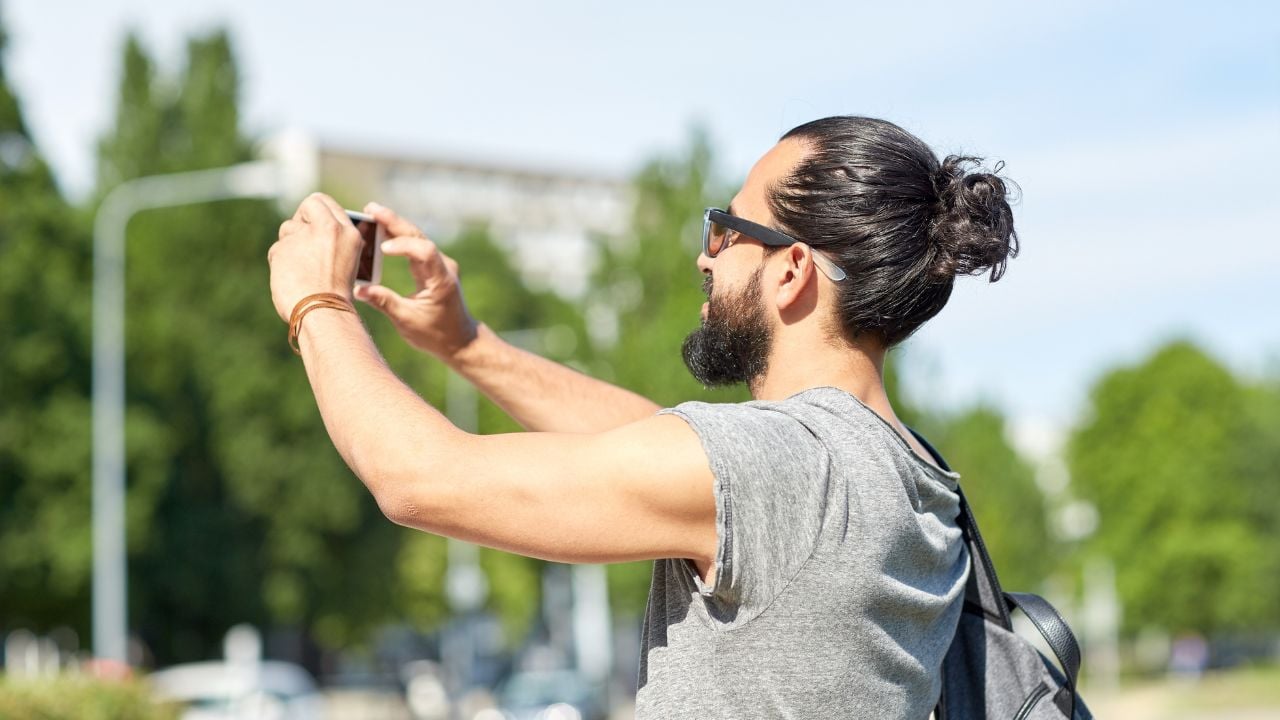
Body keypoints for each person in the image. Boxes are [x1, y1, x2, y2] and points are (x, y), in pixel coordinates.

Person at [267, 115, 1019, 718]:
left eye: (726, 231)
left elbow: (420, 478)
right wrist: (467, 344)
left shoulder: (786, 465)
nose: (706, 257)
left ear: (791, 271)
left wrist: (317, 302)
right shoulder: (907, 469)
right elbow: (650, 443)